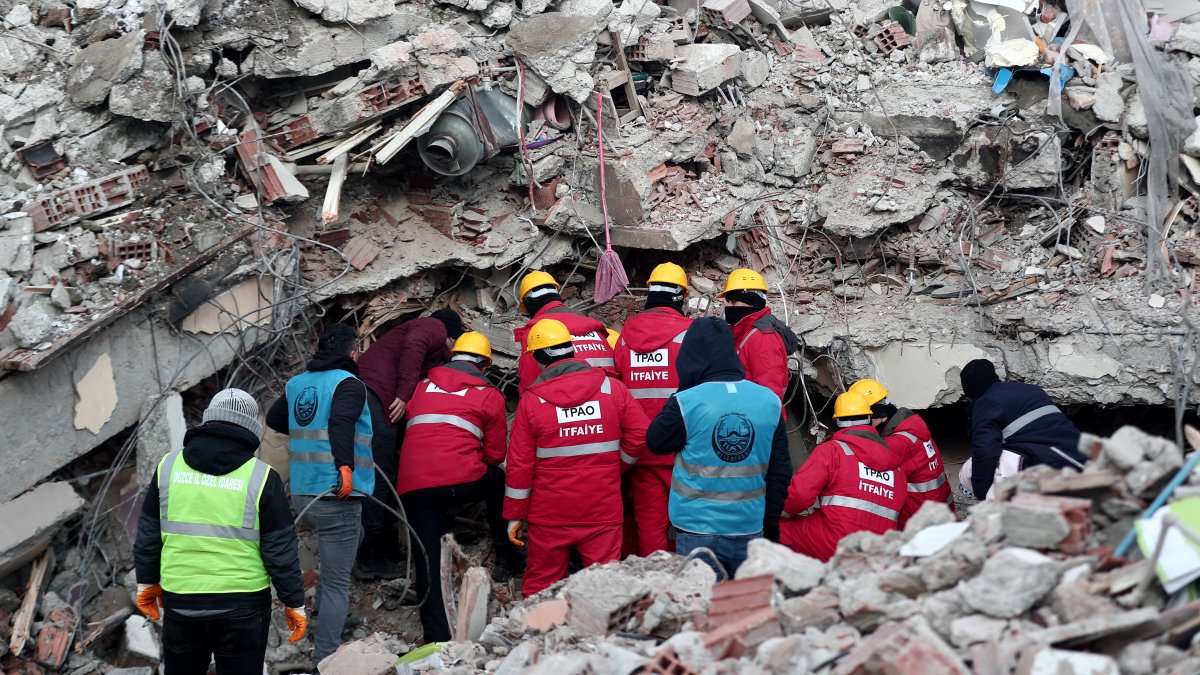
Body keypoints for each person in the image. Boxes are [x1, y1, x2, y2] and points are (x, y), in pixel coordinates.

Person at [134, 389, 306, 675]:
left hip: (182, 601)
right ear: (252, 429)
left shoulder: (168, 467)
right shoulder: (262, 478)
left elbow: (149, 535)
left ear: (207, 421)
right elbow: (280, 552)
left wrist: (147, 583)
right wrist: (294, 602)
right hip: (243, 607)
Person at [503, 319, 649, 597]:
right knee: (605, 587)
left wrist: (514, 515)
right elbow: (641, 434)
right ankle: (600, 638)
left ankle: (537, 637)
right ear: (571, 349)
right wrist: (618, 467)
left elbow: (520, 465)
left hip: (550, 514)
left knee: (541, 586)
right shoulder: (611, 388)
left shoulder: (532, 402)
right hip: (601, 507)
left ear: (538, 357)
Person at [396, 331, 519, 643]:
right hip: (463, 482)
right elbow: (495, 455)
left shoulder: (422, 386)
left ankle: (436, 638)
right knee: (498, 481)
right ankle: (508, 556)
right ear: (484, 366)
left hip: (415, 486)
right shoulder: (488, 394)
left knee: (427, 560)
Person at [646, 317, 791, 579]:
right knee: (741, 613)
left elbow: (655, 442)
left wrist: (684, 389)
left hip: (696, 531)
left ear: (690, 356)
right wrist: (769, 526)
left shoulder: (686, 402)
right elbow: (780, 471)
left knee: (699, 612)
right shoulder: (768, 401)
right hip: (750, 529)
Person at [265, 324, 374, 666]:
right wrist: (344, 467)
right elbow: (340, 423)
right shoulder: (349, 384)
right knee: (338, 580)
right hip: (335, 494)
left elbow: (275, 418)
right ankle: (324, 658)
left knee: (352, 541)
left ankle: (325, 615)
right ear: (353, 354)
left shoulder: (297, 384)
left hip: (302, 493)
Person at [355, 308, 464, 579]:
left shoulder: (434, 347)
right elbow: (414, 345)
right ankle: (369, 558)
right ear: (449, 334)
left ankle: (387, 551)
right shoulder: (432, 326)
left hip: (373, 397)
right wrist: (404, 395)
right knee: (380, 478)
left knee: (385, 474)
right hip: (376, 396)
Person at [612, 262, 693, 556]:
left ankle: (653, 584)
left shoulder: (624, 338)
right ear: (681, 297)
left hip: (642, 451)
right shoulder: (691, 334)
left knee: (649, 526)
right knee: (695, 526)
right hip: (686, 451)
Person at [779, 391, 906, 562]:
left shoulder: (833, 450)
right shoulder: (896, 467)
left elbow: (799, 496)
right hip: (879, 552)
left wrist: (780, 513)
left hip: (838, 543)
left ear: (837, 421)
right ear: (869, 419)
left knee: (778, 528)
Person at [959, 358, 1086, 500]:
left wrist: (983, 494)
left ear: (969, 395)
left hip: (1050, 468)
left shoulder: (985, 403)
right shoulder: (1032, 390)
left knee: (970, 469)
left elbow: (985, 451)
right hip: (1083, 461)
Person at [849, 378, 952, 525]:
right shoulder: (911, 426)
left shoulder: (898, 443)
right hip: (937, 508)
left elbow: (868, 481)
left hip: (920, 520)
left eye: (866, 420)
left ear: (882, 416)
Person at [513, 270, 616, 389]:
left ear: (528, 305)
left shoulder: (536, 334)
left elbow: (530, 386)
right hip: (610, 398)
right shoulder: (595, 328)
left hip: (566, 400)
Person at [717, 268, 799, 404]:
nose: (728, 307)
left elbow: (768, 399)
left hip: (753, 422)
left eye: (733, 302)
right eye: (728, 302)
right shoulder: (742, 332)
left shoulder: (763, 339)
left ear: (750, 301)